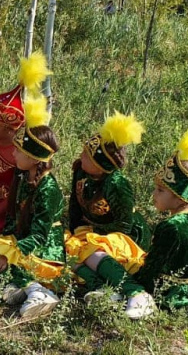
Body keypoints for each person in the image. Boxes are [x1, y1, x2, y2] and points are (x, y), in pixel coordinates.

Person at [77, 124, 188, 320]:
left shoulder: (171, 226)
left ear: (180, 197)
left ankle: (131, 296)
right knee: (97, 258)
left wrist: (127, 280)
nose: (153, 195)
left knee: (93, 257)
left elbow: (151, 271)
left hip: (173, 292)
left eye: (160, 190)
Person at [0, 59, 66, 320]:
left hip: (42, 249)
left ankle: (37, 290)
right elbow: (10, 219)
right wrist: (3, 243)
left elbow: (39, 236)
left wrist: (9, 249)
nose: (14, 153)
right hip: (18, 241)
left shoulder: (48, 188)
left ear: (34, 158)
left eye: (19, 150)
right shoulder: (20, 175)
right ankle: (21, 285)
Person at [66, 112, 152, 301]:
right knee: (68, 251)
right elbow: (75, 203)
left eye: (87, 156)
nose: (81, 156)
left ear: (101, 166)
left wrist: (96, 235)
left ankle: (130, 290)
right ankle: (106, 290)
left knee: (90, 252)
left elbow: (124, 225)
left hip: (120, 236)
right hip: (87, 230)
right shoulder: (80, 171)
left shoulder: (117, 184)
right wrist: (74, 230)